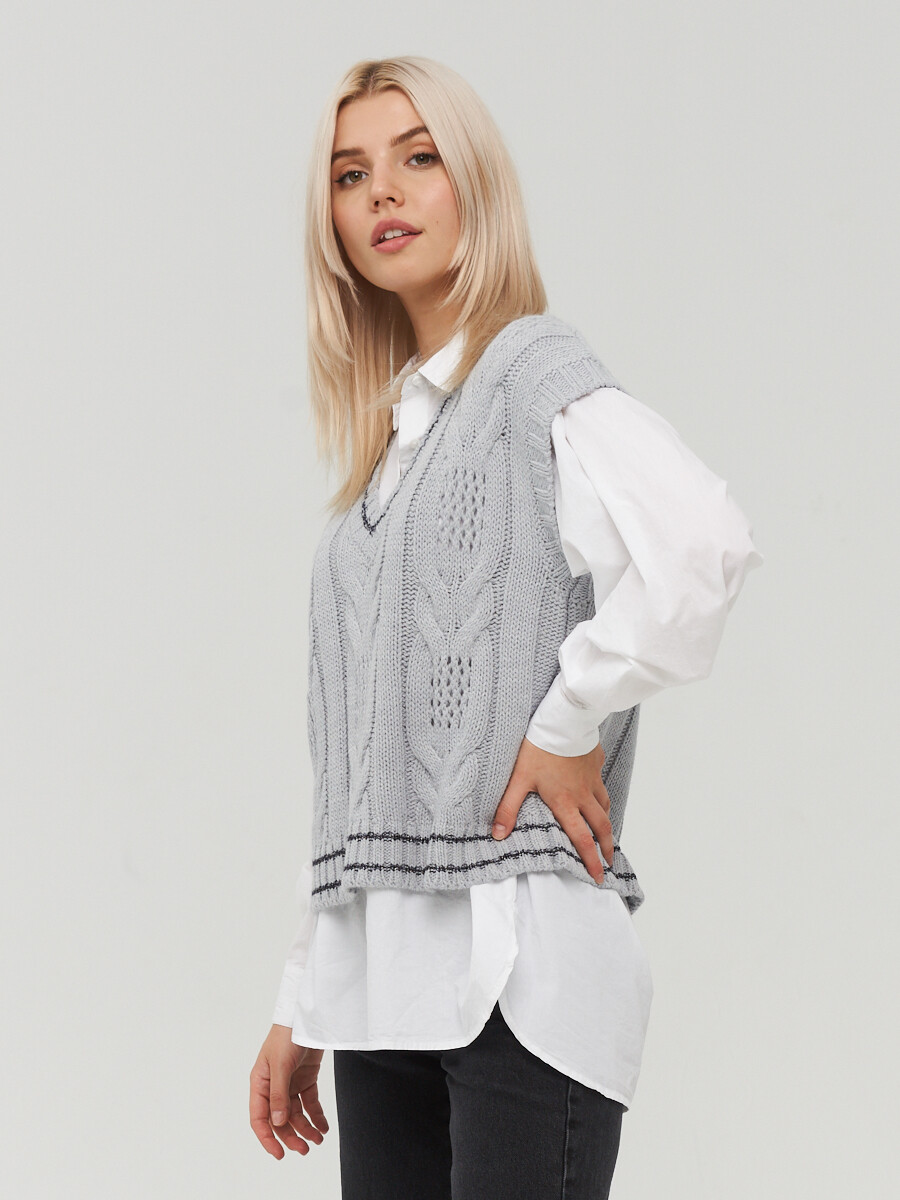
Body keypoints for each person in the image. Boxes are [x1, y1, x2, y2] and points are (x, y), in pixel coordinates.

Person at [248, 55, 763, 1199]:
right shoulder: (391, 458)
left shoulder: (532, 371)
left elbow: (703, 546)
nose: (383, 192)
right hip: (383, 1000)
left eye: (418, 158)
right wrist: (305, 996)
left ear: (475, 183)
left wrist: (570, 720)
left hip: (520, 978)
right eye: (350, 174)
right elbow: (362, 771)